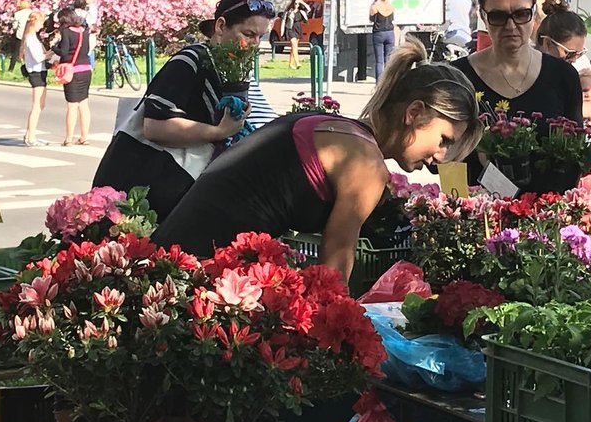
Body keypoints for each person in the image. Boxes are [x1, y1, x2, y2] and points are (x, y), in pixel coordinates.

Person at [153, 37, 481, 279]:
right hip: (191, 272)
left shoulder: (336, 127)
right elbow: (332, 274)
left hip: (169, 255)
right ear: (414, 112)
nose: (441, 157)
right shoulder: (366, 165)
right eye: (443, 140)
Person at [92, 0, 274, 218]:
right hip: (144, 200)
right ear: (220, 26)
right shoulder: (190, 61)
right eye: (248, 34)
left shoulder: (233, 72)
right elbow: (154, 126)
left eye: (259, 37)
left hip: (182, 197)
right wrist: (218, 132)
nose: (254, 44)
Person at [451, 0, 582, 182]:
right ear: (483, 16)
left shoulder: (563, 76)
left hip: (548, 211)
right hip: (477, 211)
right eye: (498, 16)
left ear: (533, 16)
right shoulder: (458, 77)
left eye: (521, 14)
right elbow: (444, 162)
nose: (511, 26)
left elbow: (575, 156)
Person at [55, 7, 92, 146]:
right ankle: (84, 137)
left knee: (72, 105)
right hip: (86, 69)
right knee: (84, 104)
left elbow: (64, 52)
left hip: (72, 71)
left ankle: (69, 138)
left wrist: (54, 47)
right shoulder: (84, 32)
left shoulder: (66, 32)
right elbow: (86, 50)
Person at [20, 10, 53, 147]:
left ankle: (29, 134)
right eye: (41, 23)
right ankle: (31, 136)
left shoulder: (34, 38)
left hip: (40, 72)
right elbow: (39, 58)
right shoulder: (31, 39)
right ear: (35, 23)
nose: (42, 26)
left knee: (40, 105)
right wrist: (52, 52)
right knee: (37, 105)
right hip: (36, 73)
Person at [535, 0, 588, 66]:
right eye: (570, 54)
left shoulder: (581, 65)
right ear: (547, 43)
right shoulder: (524, 69)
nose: (574, 60)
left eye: (580, 53)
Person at [370, 0, 396, 81]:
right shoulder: (391, 6)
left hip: (378, 33)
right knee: (388, 60)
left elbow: (371, 19)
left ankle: (379, 84)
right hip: (390, 33)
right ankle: (388, 82)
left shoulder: (375, 6)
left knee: (379, 61)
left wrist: (373, 4)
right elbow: (392, 19)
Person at [282, 0, 310, 70]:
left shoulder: (301, 12)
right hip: (290, 29)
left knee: (293, 48)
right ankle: (297, 63)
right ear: (292, 4)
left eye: (297, 4)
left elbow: (309, 9)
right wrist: (282, 32)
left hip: (298, 29)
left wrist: (302, 2)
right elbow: (283, 21)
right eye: (295, 3)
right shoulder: (289, 12)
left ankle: (290, 64)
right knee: (294, 46)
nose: (296, 5)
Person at [8, 0, 32, 73]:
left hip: (20, 35)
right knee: (29, 53)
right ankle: (30, 69)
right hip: (30, 35)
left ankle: (10, 69)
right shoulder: (32, 13)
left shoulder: (18, 14)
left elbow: (15, 26)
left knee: (15, 53)